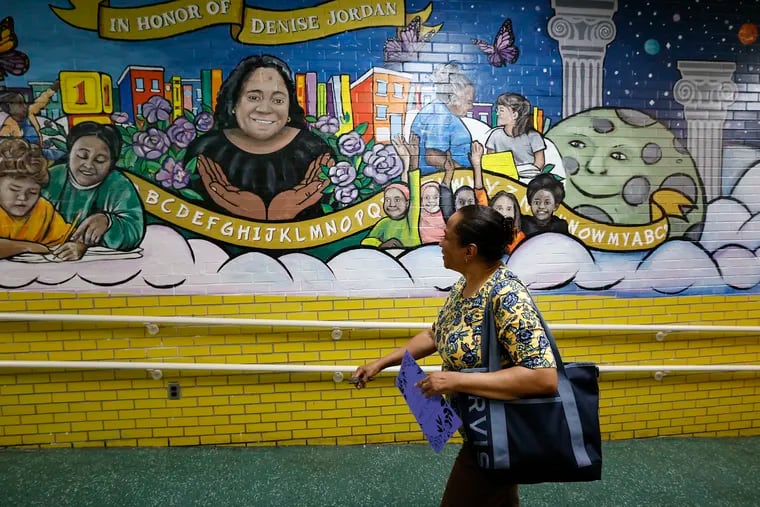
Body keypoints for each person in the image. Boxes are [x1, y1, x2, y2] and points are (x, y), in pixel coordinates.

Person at [353, 204, 558, 506]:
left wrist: (455, 381)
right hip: (480, 432)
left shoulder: (508, 297)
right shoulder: (465, 285)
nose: (440, 242)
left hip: (496, 434)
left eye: (447, 237)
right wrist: (382, 363)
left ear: (469, 251)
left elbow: (543, 377)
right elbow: (435, 334)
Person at [185, 54, 332, 222]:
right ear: (233, 103)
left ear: (289, 107)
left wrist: (282, 213)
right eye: (254, 97)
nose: (264, 109)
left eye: (277, 100)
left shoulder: (314, 150)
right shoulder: (206, 150)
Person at [42, 121, 145, 251]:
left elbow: (134, 230)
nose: (89, 165)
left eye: (100, 160)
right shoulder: (52, 177)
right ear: (70, 153)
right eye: (82, 156)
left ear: (111, 163)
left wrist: (108, 222)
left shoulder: (118, 184)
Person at [0, 137, 84, 260]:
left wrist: (78, 246)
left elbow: (71, 237)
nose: (23, 197)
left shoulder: (43, 209)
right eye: (14, 189)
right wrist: (27, 247)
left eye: (33, 192)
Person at [411, 63, 474, 176]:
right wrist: (464, 173)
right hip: (441, 179)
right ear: (455, 98)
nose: (471, 107)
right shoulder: (441, 115)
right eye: (468, 102)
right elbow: (432, 156)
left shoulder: (442, 111)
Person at [361, 134, 421, 248]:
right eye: (387, 200)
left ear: (408, 203)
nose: (392, 204)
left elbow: (413, 193)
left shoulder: (410, 220)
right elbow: (366, 241)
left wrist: (413, 160)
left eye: (397, 199)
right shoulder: (384, 223)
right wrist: (381, 244)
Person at [478, 93, 545, 179]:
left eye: (501, 110)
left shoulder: (533, 136)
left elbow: (539, 162)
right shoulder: (495, 135)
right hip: (503, 180)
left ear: (514, 115)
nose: (497, 114)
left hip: (528, 179)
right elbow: (490, 161)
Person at [522, 173, 569, 238]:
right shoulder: (524, 224)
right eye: (536, 202)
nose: (541, 206)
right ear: (530, 203)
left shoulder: (560, 227)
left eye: (547, 203)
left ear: (555, 206)